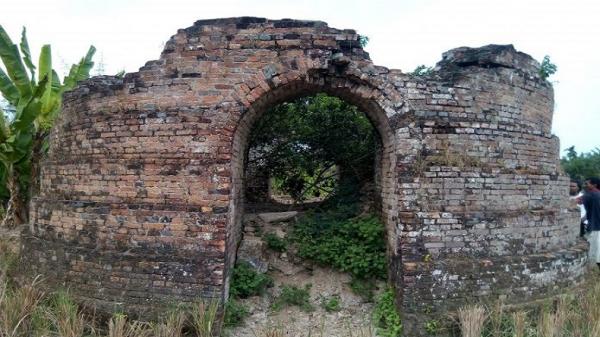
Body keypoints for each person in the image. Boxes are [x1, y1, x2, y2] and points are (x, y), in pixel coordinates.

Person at [577, 177, 600, 267]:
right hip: (596, 225)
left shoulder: (590, 195)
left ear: (594, 185)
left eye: (587, 183)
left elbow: (575, 201)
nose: (585, 185)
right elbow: (594, 211)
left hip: (595, 227)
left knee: (594, 252)